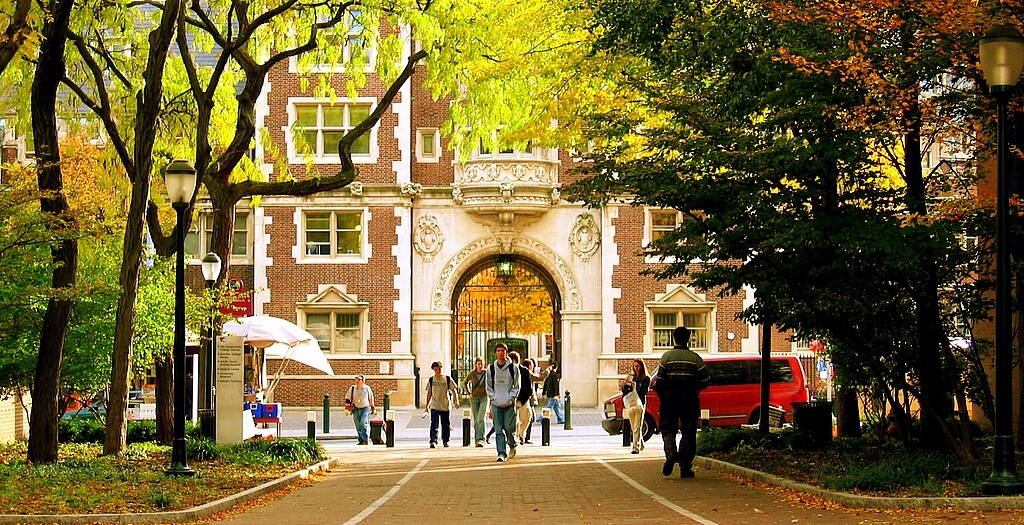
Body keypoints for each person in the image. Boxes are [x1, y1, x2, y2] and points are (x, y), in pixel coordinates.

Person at [654, 326, 710, 478]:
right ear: (688, 339)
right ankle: (685, 466)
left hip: (670, 397)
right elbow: (705, 380)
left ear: (674, 339)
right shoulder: (695, 358)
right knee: (689, 431)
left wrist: (664, 397)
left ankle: (671, 453)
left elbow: (659, 381)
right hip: (689, 397)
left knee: (667, 429)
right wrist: (696, 386)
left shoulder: (666, 357)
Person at [485, 343, 519, 461]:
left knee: (509, 428)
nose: (501, 353)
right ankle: (501, 453)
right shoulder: (491, 369)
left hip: (509, 404)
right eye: (498, 351)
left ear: (506, 352)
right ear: (495, 353)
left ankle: (512, 443)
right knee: (498, 429)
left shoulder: (513, 368)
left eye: (503, 351)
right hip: (496, 404)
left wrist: (511, 397)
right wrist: (493, 398)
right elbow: (488, 386)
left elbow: (516, 385)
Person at [424, 361, 459, 448]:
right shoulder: (431, 380)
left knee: (445, 424)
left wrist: (456, 401)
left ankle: (445, 440)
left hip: (445, 405)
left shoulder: (447, 379)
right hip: (435, 405)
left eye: (439, 369)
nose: (437, 371)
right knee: (434, 424)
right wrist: (426, 406)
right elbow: (429, 393)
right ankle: (433, 440)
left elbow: (454, 390)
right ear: (433, 370)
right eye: (435, 369)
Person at [622, 358, 651, 454]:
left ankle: (635, 447)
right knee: (633, 425)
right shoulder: (632, 376)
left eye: (638, 366)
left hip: (640, 403)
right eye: (634, 366)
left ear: (642, 367)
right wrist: (626, 385)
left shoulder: (646, 378)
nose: (636, 368)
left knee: (638, 425)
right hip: (631, 403)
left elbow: (645, 392)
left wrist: (636, 387)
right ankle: (640, 443)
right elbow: (625, 391)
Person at [511, 353, 540, 445]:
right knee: (513, 420)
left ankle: (521, 433)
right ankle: (515, 436)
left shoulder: (524, 371)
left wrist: (528, 394)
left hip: (523, 399)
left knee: (527, 418)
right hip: (512, 399)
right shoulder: (507, 370)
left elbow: (536, 379)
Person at [464, 357, 489, 447]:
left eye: (482, 364)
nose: (480, 366)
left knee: (481, 418)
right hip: (474, 398)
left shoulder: (486, 373)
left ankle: (481, 439)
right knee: (476, 419)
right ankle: (477, 440)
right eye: (478, 364)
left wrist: (489, 392)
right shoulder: (472, 373)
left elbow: (491, 383)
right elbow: (465, 382)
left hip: (484, 397)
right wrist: (468, 393)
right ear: (476, 365)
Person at [345, 374, 375, 445]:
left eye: (359, 380)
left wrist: (373, 407)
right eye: (356, 379)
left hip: (365, 408)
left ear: (363, 381)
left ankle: (365, 439)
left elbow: (371, 398)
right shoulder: (352, 388)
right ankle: (361, 440)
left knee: (363, 423)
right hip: (356, 408)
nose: (357, 381)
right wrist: (347, 407)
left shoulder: (367, 388)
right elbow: (347, 398)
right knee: (358, 425)